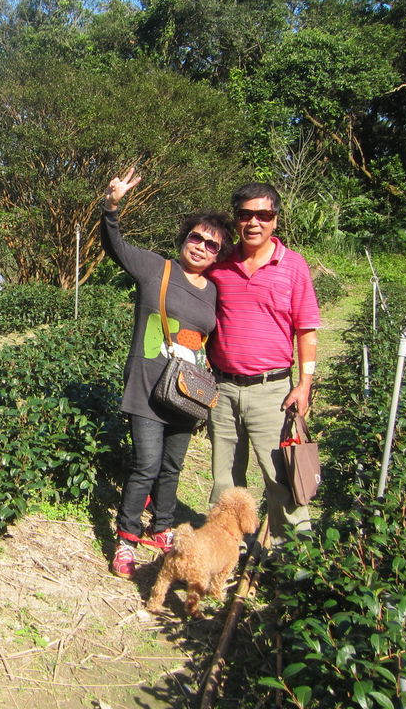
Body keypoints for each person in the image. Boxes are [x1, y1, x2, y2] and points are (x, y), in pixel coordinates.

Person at [100, 168, 235, 579]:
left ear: (217, 255)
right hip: (147, 387)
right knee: (146, 464)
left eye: (211, 244)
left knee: (172, 468)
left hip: (188, 393)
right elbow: (115, 245)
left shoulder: (213, 289)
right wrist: (112, 204)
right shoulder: (153, 268)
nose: (202, 246)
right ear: (183, 238)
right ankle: (126, 539)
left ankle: (161, 530)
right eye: (196, 237)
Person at [206, 182, 320, 544]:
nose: (254, 222)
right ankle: (228, 547)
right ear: (235, 219)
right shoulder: (219, 262)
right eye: (245, 215)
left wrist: (305, 384)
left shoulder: (293, 265)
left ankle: (296, 559)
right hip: (221, 389)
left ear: (275, 220)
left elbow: (306, 330)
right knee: (225, 479)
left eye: (263, 215)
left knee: (280, 477)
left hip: (272, 391)